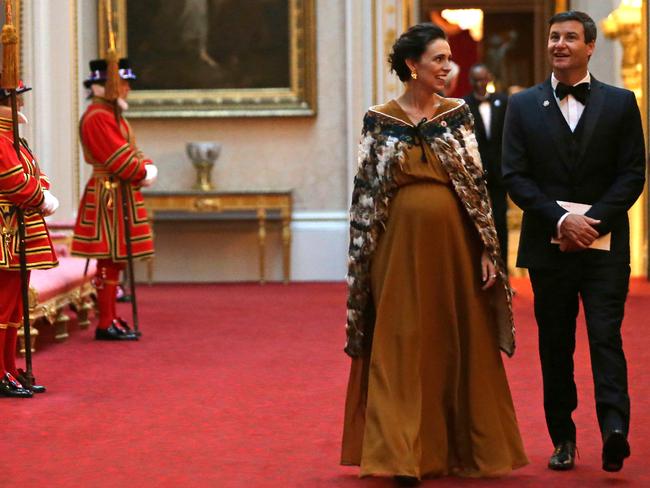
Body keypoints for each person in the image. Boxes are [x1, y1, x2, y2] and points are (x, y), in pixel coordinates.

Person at [340, 23, 528, 485]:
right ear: (412, 65)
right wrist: (362, 262)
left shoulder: (458, 114)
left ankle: (460, 448)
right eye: (438, 60)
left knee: (452, 340)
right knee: (400, 342)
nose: (448, 68)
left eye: (449, 59)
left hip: (455, 248)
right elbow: (365, 194)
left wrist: (488, 248)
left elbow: (477, 188)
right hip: (397, 249)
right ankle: (399, 455)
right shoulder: (378, 118)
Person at [502, 10, 645, 473]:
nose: (559, 44)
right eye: (553, 37)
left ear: (590, 47)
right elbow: (514, 176)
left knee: (606, 337)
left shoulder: (622, 103)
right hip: (549, 247)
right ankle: (562, 438)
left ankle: (614, 430)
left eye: (569, 38)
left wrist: (594, 223)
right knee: (555, 346)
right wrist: (562, 221)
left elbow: (632, 175)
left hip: (605, 249)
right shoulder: (522, 106)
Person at [71, 58, 158, 341]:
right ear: (106, 86)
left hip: (118, 191)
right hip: (108, 193)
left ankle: (110, 317)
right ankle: (105, 320)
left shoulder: (111, 114)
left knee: (115, 260)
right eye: (123, 83)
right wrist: (142, 170)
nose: (127, 89)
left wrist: (144, 164)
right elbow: (119, 159)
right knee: (108, 258)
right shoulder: (98, 116)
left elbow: (131, 150)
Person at [0, 80, 59, 397]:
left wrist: (42, 190)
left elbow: (34, 173)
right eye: (15, 99)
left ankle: (8, 367)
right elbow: (13, 182)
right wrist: (41, 197)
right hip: (5, 229)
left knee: (14, 308)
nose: (21, 105)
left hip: (19, 226)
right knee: (3, 305)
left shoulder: (13, 138)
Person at [463, 64, 509, 267]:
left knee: (500, 221)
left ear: (489, 78)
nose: (480, 84)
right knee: (477, 222)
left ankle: (503, 271)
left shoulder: (502, 101)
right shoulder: (463, 105)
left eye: (483, 79)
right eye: (476, 80)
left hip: (500, 172)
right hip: (475, 172)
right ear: (470, 81)